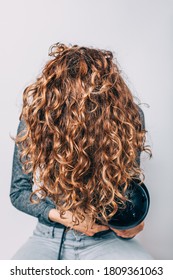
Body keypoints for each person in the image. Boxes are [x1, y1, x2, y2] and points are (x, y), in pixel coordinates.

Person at [10, 43, 152, 260]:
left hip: (104, 238)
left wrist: (130, 225)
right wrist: (63, 216)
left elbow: (127, 190)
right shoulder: (37, 119)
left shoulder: (127, 118)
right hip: (49, 235)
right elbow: (18, 192)